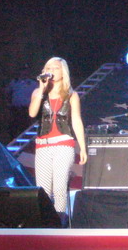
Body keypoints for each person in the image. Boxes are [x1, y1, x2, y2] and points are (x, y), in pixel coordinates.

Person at [29, 57, 88, 227]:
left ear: (63, 72)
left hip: (64, 144)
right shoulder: (38, 93)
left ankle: (59, 224)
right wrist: (41, 89)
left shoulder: (71, 95)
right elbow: (32, 113)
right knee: (43, 190)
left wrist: (82, 147)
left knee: (60, 187)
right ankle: (45, 225)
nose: (52, 71)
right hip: (43, 145)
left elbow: (76, 120)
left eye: (56, 68)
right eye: (49, 67)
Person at [7, 67, 39, 138]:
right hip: (15, 109)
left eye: (26, 71)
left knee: (24, 128)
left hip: (25, 109)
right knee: (13, 128)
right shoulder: (14, 82)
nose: (24, 73)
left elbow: (38, 95)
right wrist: (9, 103)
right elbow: (8, 93)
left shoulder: (33, 83)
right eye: (22, 71)